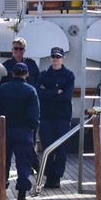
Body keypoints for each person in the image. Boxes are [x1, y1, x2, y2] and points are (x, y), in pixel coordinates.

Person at [0, 62, 40, 200]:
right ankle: (21, 197)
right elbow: (34, 115)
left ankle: (0, 196)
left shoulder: (1, 90)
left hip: (5, 130)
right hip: (23, 131)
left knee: (3, 162)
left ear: (12, 73)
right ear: (27, 74)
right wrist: (32, 128)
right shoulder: (30, 91)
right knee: (23, 163)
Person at [36, 46, 75, 189]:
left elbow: (67, 96)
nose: (56, 59)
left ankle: (57, 176)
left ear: (63, 58)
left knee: (61, 148)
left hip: (62, 116)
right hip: (46, 116)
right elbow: (39, 93)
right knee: (47, 148)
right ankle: (48, 176)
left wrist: (49, 93)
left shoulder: (69, 75)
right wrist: (56, 92)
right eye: (54, 56)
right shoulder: (44, 74)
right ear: (51, 57)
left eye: (58, 57)